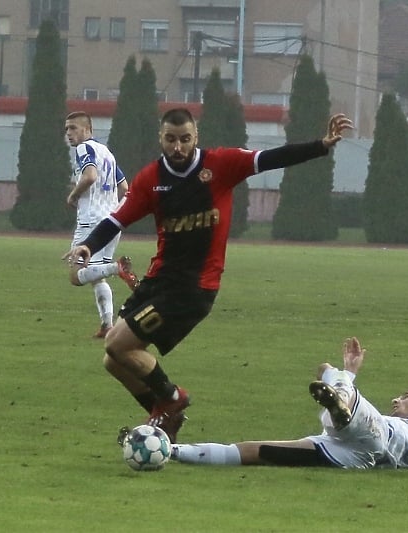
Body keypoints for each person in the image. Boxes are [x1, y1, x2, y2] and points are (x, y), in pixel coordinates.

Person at [64, 107, 354, 441]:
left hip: (194, 287)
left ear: (195, 137)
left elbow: (272, 157)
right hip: (160, 280)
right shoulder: (151, 179)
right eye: (171, 139)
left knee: (118, 344)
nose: (178, 147)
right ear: (161, 138)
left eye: (185, 139)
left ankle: (173, 400)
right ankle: (164, 417)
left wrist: (322, 145)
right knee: (113, 361)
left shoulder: (221, 164)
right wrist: (88, 245)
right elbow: (117, 219)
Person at [170, 337, 408, 468]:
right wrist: (347, 371)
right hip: (347, 453)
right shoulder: (405, 426)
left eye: (407, 398)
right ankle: (171, 451)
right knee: (256, 451)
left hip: (373, 440)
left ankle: (341, 398)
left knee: (341, 389)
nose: (398, 399)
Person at [63, 111, 139, 339]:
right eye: (66, 129)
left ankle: (118, 268)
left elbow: (90, 176)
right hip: (110, 222)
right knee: (97, 276)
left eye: (73, 128)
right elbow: (125, 188)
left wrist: (73, 195)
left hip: (91, 220)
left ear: (88, 130)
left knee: (76, 276)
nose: (69, 133)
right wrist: (117, 211)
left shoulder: (84, 149)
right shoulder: (108, 153)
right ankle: (107, 325)